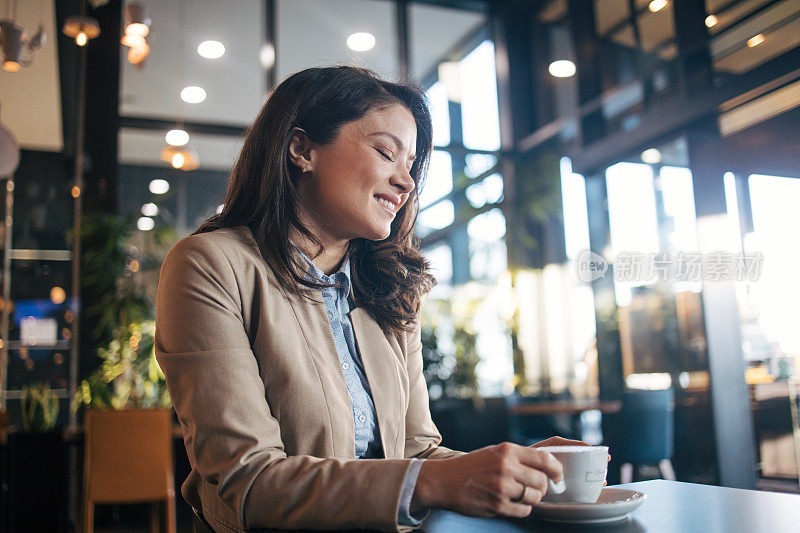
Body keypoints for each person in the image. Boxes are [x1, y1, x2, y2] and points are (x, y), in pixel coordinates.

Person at [155, 66, 588, 533]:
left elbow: (417, 454)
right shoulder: (210, 264)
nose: (406, 183)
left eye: (412, 165)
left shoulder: (389, 290)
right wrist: (437, 478)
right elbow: (249, 483)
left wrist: (516, 470)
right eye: (386, 152)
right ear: (302, 149)